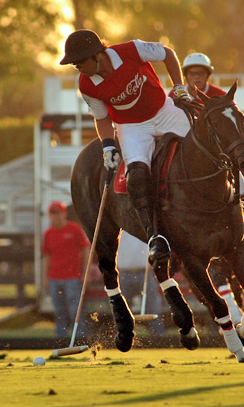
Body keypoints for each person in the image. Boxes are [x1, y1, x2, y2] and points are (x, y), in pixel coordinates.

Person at [177, 52, 244, 355]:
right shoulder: (177, 95)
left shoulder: (222, 97)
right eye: (192, 73)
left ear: (208, 75)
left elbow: (234, 128)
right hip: (191, 170)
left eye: (201, 73)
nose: (197, 78)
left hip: (222, 166)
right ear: (185, 75)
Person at [59, 29, 192, 266]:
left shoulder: (132, 50)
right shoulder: (87, 84)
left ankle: (240, 195)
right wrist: (108, 145)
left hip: (164, 111)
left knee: (200, 146)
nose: (77, 68)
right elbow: (101, 119)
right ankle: (155, 237)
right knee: (137, 176)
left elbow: (168, 54)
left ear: (96, 55)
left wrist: (179, 87)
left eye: (79, 63)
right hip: (131, 127)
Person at [42, 201, 90, 339]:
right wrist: (45, 278)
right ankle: (61, 338)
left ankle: (80, 337)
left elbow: (85, 249)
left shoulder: (74, 229)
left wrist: (85, 272)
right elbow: (46, 256)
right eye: (53, 214)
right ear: (49, 216)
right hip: (54, 277)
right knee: (58, 311)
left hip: (73, 277)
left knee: (75, 310)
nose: (56, 217)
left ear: (64, 214)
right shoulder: (48, 233)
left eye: (58, 213)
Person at [117, 231, 165, 335]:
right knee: (120, 309)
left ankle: (158, 337)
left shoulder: (145, 226)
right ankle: (122, 336)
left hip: (146, 271)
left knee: (153, 307)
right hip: (123, 273)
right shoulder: (118, 226)